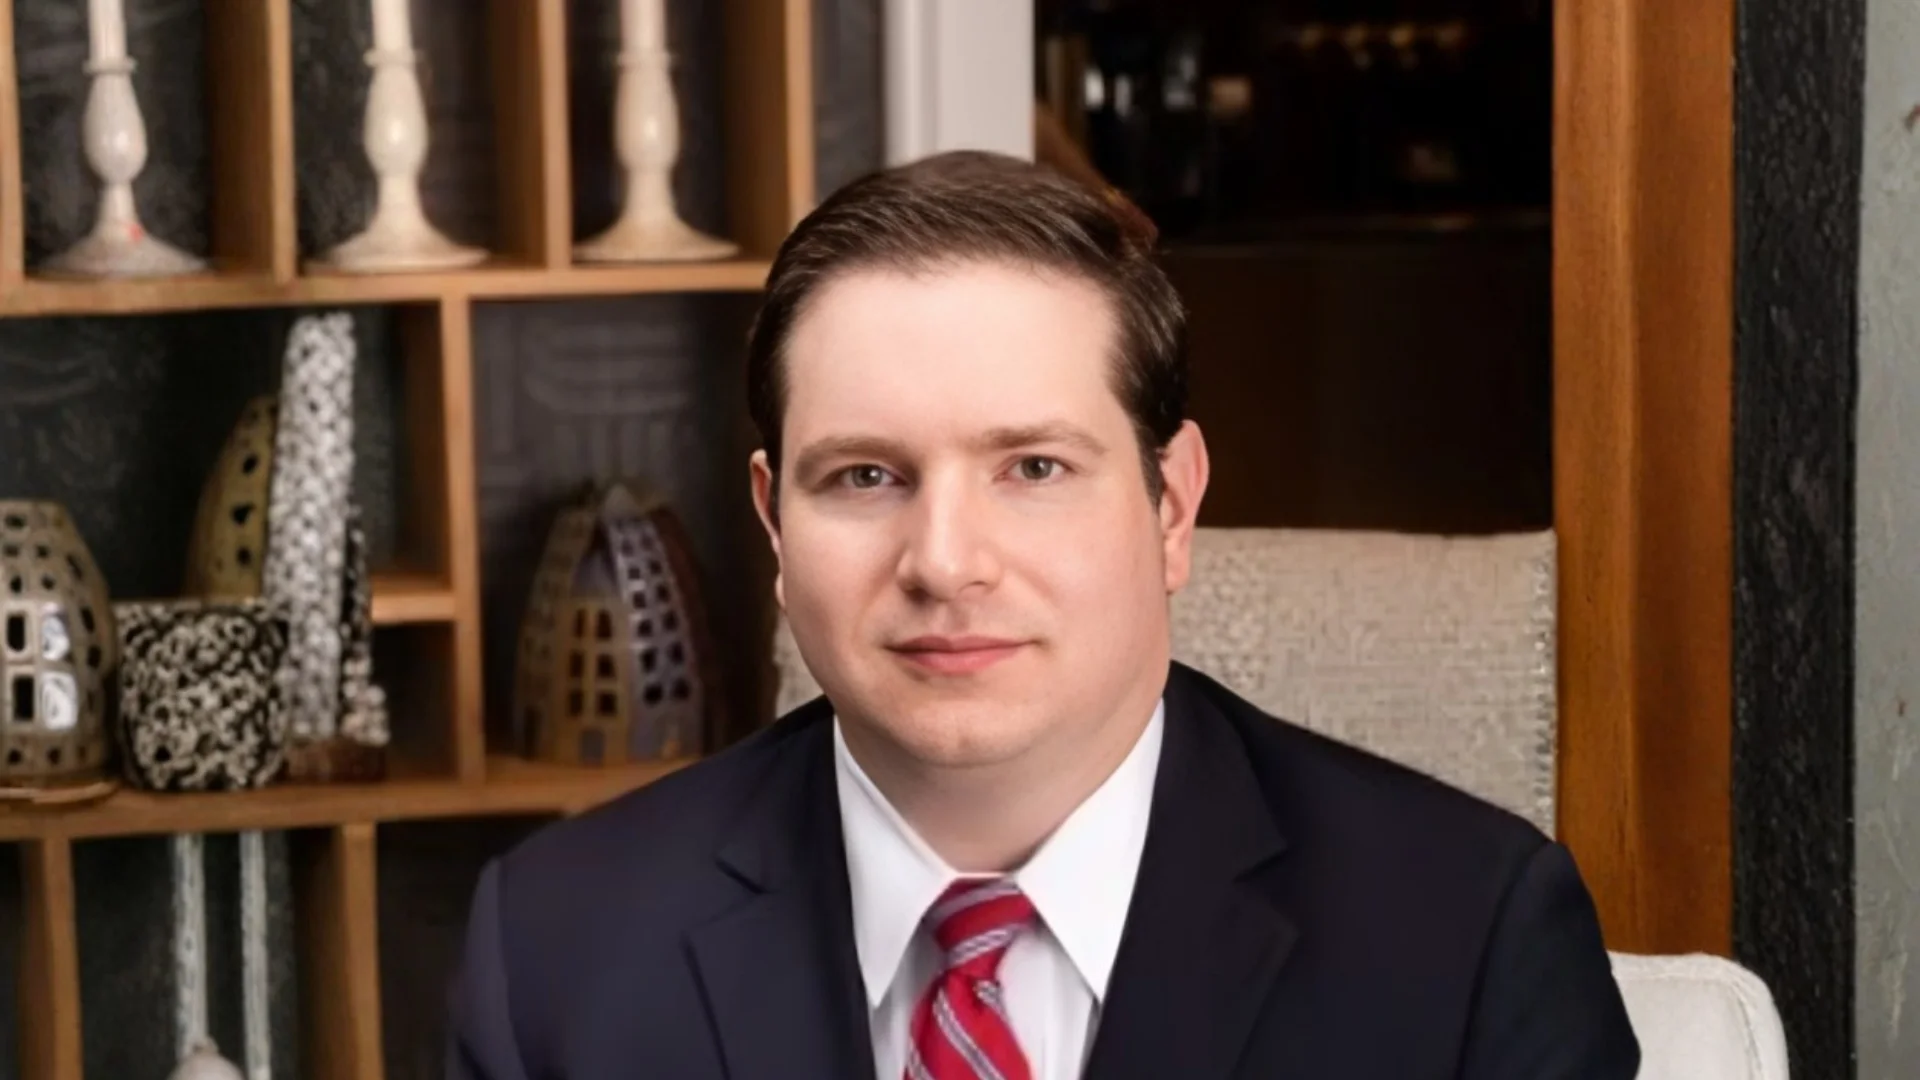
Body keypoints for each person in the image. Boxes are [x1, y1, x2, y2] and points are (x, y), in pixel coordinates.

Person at [446, 150, 1640, 1080]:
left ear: (1171, 506)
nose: (945, 563)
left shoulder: (1469, 940)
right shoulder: (553, 951)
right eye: (865, 475)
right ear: (772, 522)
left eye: (1032, 468)